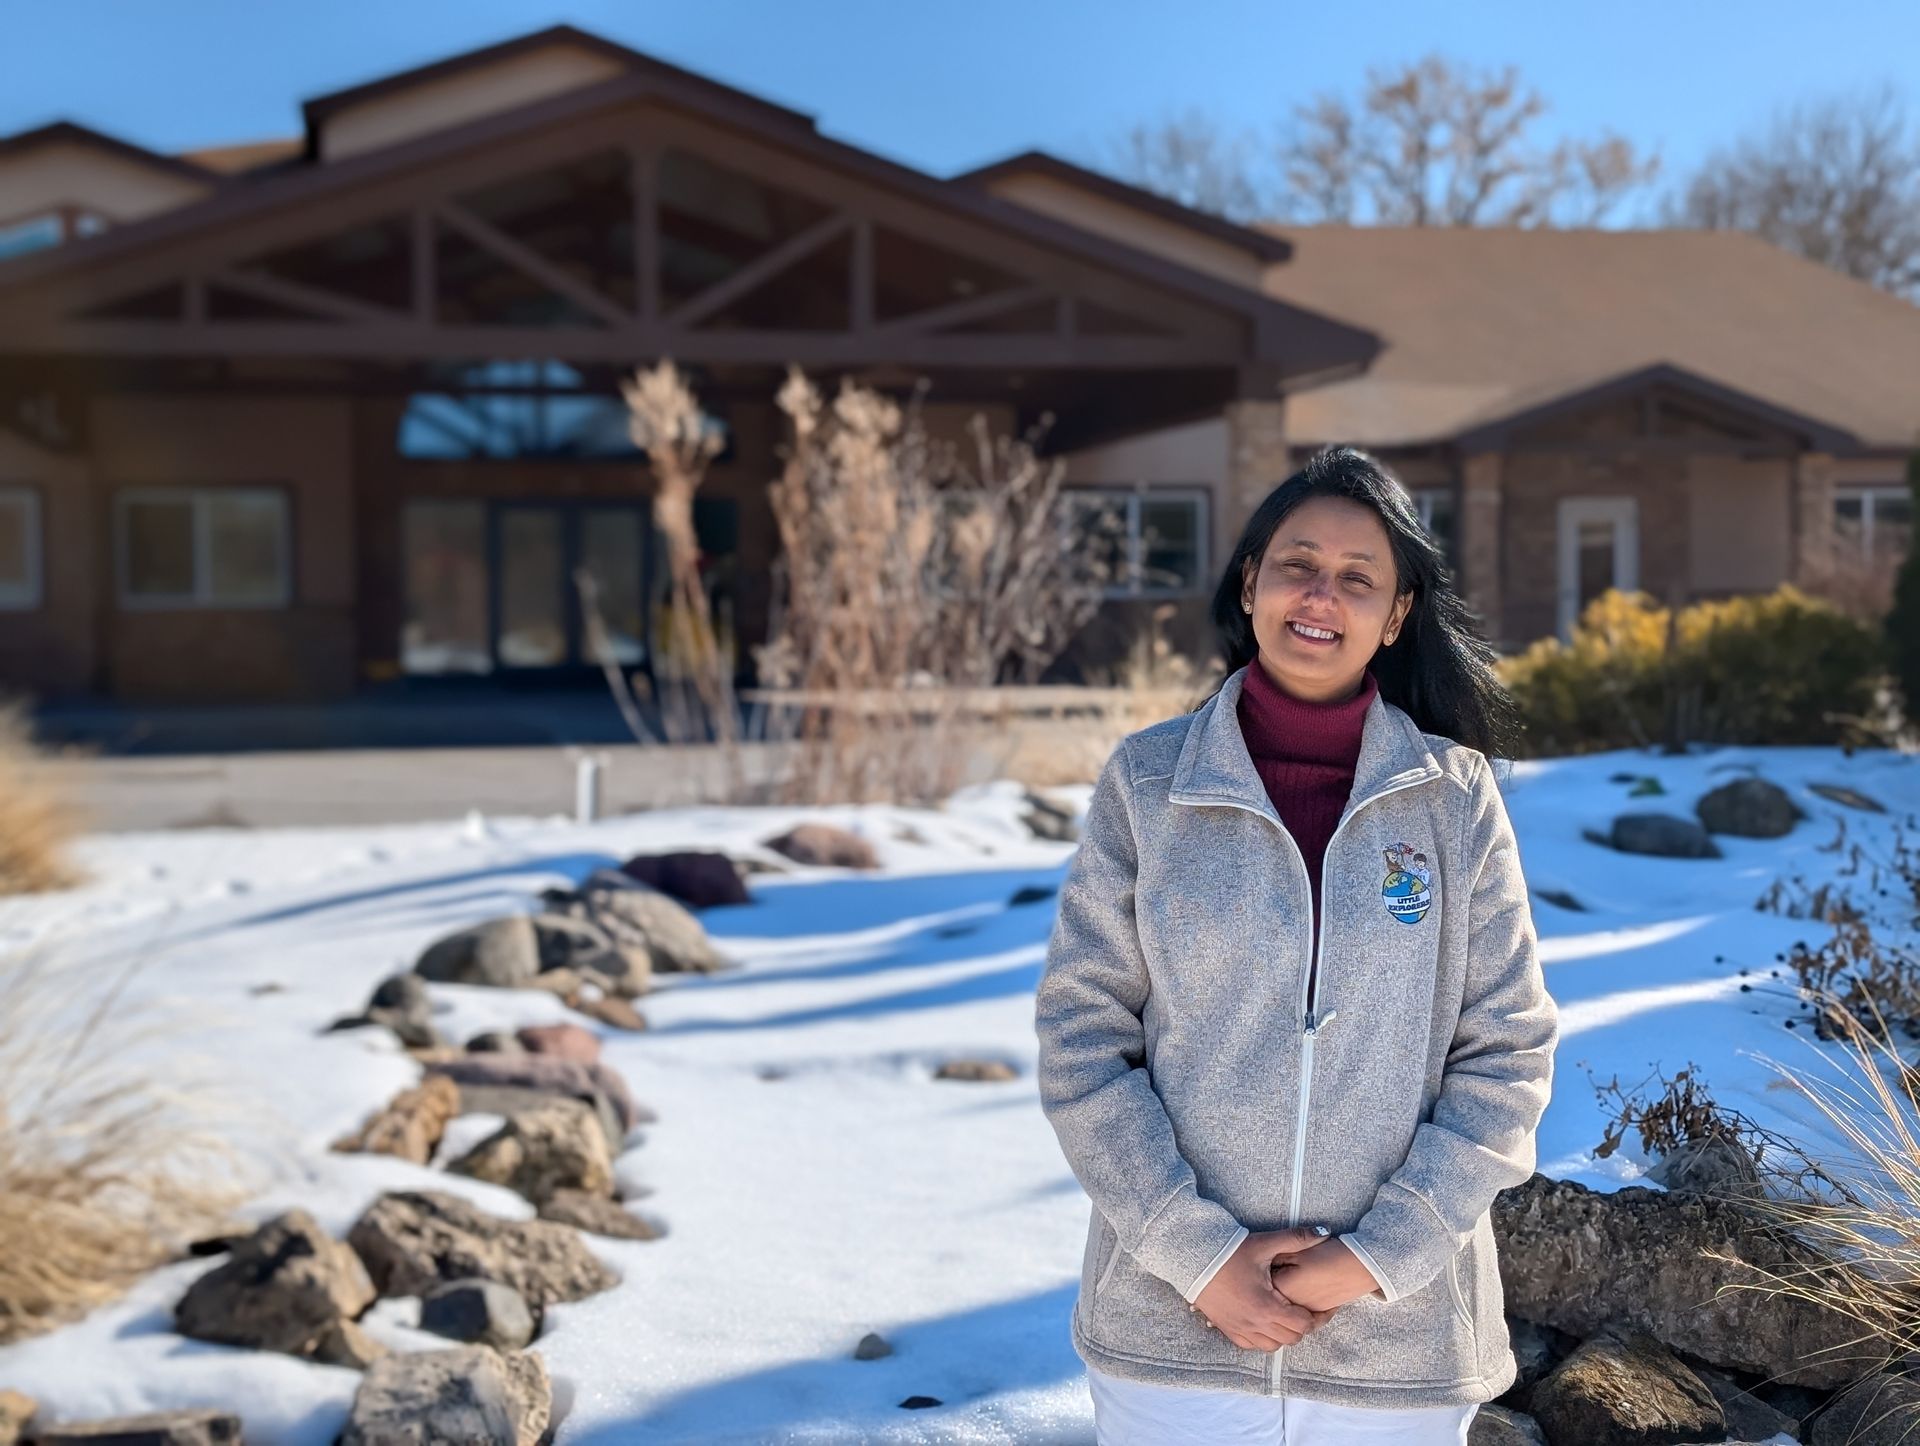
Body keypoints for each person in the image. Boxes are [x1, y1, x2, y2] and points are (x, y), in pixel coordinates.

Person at [1034, 447, 1559, 1445]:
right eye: (1297, 563)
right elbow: (1082, 1038)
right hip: (1173, 1340)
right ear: (1250, 582)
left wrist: (1372, 1258)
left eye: (1359, 577)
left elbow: (1507, 1055)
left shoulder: (1453, 801)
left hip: (1396, 1350)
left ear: (1397, 614)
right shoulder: (1150, 784)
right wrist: (1196, 1254)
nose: (1322, 595)